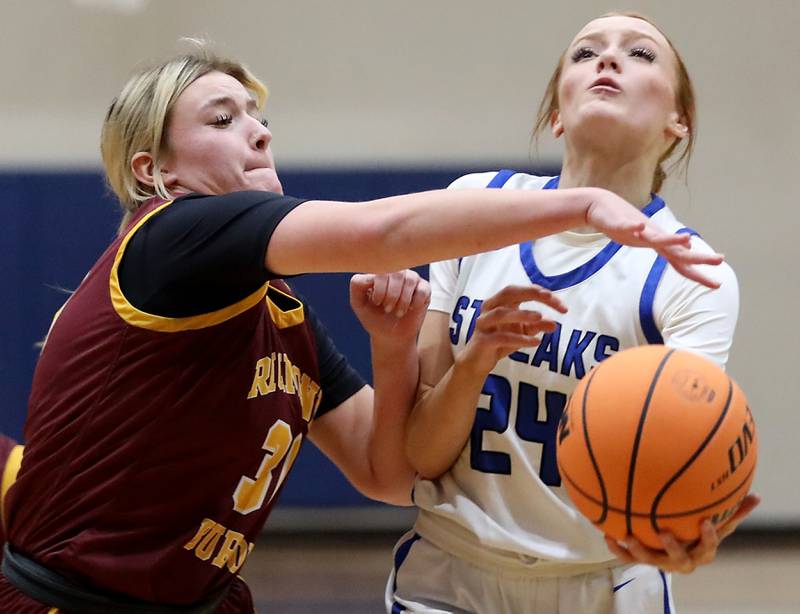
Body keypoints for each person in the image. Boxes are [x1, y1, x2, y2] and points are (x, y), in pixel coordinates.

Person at [0, 42, 721, 613]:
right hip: (73, 601)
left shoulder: (280, 318)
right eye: (222, 119)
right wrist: (580, 207)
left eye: (257, 116)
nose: (257, 131)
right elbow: (383, 231)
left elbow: (389, 472)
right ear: (155, 171)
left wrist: (393, 342)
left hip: (200, 600)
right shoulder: (171, 237)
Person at [387, 12, 759, 614]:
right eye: (585, 53)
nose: (607, 61)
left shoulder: (693, 275)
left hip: (604, 582)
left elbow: (689, 459)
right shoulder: (474, 207)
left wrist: (693, 524)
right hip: (449, 573)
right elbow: (421, 454)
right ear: (557, 115)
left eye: (639, 54)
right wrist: (474, 361)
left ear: (678, 123)